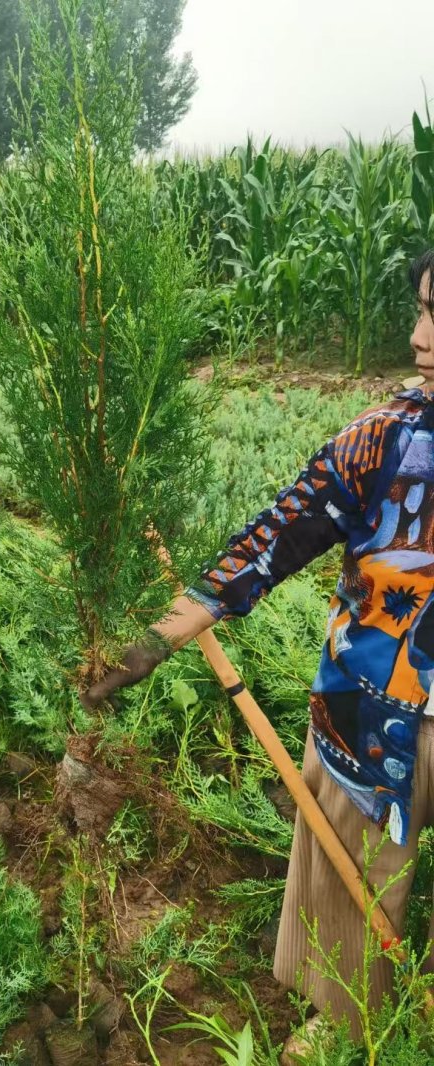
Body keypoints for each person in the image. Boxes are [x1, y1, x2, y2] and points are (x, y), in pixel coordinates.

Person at [80, 249, 434, 1051]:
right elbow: (276, 536)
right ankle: (343, 1020)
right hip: (372, 704)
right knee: (354, 870)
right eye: (420, 309)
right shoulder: (385, 439)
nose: (417, 337)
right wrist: (160, 637)